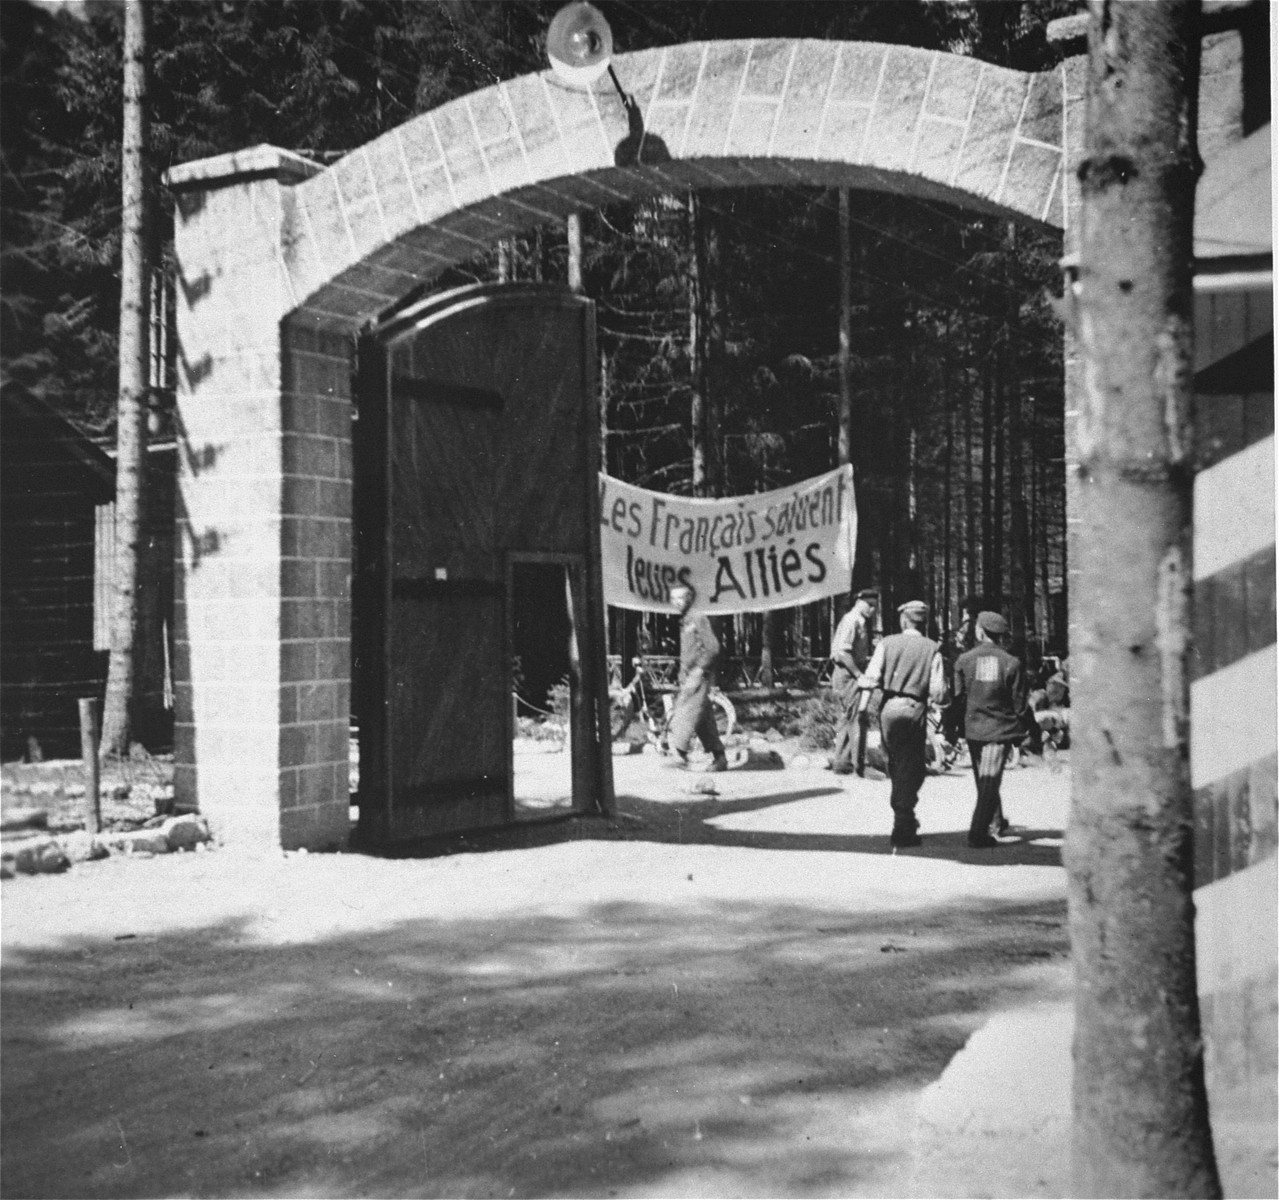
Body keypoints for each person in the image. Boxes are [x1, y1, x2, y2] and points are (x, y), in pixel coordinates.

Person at [855, 600, 947, 848]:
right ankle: (903, 822)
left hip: (888, 709)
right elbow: (939, 692)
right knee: (912, 767)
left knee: (896, 764)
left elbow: (871, 678)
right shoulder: (932, 649)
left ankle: (904, 817)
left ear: (904, 620)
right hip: (914, 710)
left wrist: (863, 709)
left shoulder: (887, 643)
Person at [952, 611, 1041, 849]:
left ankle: (996, 822)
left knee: (984, 780)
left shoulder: (964, 660)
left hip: (973, 729)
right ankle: (977, 834)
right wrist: (1032, 730)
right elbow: (1021, 705)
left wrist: (953, 728)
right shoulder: (1012, 662)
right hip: (999, 730)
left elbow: (957, 699)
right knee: (989, 781)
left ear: (980, 631)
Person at [667, 584, 728, 772]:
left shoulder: (698, 617)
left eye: (681, 598)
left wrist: (700, 669)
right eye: (673, 598)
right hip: (687, 675)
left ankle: (680, 754)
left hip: (697, 674)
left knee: (685, 711)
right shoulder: (685, 620)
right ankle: (720, 757)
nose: (677, 602)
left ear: (689, 599)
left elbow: (713, 647)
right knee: (702, 718)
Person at [827, 588, 879, 774]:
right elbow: (842, 653)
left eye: (875, 606)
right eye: (870, 605)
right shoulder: (852, 620)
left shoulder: (860, 620)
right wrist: (859, 676)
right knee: (857, 718)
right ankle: (860, 766)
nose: (873, 609)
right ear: (859, 601)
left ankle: (842, 762)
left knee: (849, 718)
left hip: (849, 672)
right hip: (847, 674)